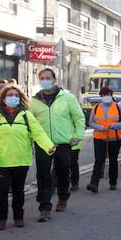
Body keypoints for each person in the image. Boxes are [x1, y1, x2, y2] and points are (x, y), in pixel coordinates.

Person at [0, 83, 55, 229]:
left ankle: (18, 217)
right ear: (2, 98)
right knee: (1, 192)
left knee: (18, 191)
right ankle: (1, 218)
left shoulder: (26, 115)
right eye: (10, 95)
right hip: (1, 161)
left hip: (21, 160)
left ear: (20, 98)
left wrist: (48, 146)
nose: (13, 98)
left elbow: (38, 132)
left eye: (16, 95)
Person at [29, 69, 85, 220]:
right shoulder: (33, 101)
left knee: (62, 172)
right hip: (43, 143)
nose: (44, 80)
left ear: (54, 79)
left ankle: (63, 196)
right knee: (43, 175)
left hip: (63, 143)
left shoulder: (67, 97)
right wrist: (29, 140)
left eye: (47, 78)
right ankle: (44, 207)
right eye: (42, 78)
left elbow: (79, 118)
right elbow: (29, 123)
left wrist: (78, 136)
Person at [86, 86, 121, 193]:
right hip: (99, 138)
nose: (106, 97)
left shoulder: (118, 107)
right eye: (104, 95)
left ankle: (113, 182)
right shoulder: (96, 107)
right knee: (99, 161)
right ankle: (94, 184)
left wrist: (115, 125)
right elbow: (91, 122)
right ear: (101, 96)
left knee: (113, 160)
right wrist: (99, 127)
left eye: (108, 95)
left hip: (115, 138)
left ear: (111, 95)